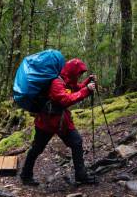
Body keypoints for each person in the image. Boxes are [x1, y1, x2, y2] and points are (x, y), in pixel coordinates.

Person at [20, 58, 97, 186]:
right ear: (72, 71)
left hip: (61, 123)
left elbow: (75, 88)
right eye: (78, 73)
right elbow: (65, 99)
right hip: (46, 123)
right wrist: (86, 90)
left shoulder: (67, 82)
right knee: (37, 149)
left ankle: (81, 175)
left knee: (76, 142)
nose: (79, 76)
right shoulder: (56, 82)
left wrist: (87, 82)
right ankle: (26, 175)